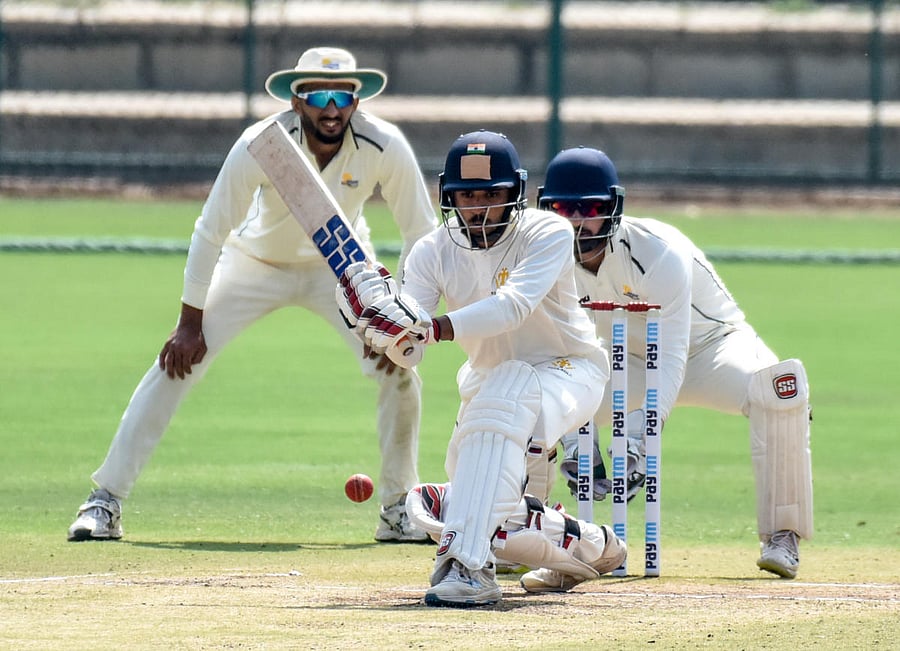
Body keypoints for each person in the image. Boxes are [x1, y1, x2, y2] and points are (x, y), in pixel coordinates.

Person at [67, 47, 436, 544]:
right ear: (296, 99)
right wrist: (188, 322)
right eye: (317, 96)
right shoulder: (263, 143)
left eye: (341, 96)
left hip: (343, 269)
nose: (331, 109)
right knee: (174, 365)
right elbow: (210, 229)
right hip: (254, 263)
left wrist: (402, 319)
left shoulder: (383, 143)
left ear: (356, 100)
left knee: (401, 373)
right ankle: (104, 501)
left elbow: (421, 234)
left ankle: (398, 509)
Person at [336, 131, 626, 608]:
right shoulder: (431, 251)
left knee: (506, 395)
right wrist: (380, 328)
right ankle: (591, 546)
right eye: (469, 195)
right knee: (456, 505)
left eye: (492, 195)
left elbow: (512, 307)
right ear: (450, 197)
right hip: (489, 385)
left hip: (568, 371)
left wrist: (426, 327)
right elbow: (409, 349)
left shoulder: (546, 232)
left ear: (515, 194)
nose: (480, 208)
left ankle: (468, 570)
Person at [538, 146, 813, 579]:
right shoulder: (544, 255)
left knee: (780, 388)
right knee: (529, 388)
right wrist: (575, 441)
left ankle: (782, 533)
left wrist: (637, 438)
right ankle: (524, 532)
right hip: (617, 362)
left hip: (709, 351)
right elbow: (552, 346)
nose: (576, 222)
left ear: (612, 208)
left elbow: (667, 357)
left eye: (589, 208)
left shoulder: (658, 250)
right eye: (561, 208)